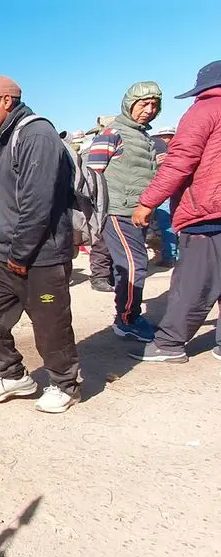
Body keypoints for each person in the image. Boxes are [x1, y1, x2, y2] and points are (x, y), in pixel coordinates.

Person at [0, 75, 81, 413]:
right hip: (5, 250)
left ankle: (65, 383)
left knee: (49, 322)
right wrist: (5, 250)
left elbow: (37, 205)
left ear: (6, 102)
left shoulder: (36, 135)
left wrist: (21, 256)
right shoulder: (2, 141)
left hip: (41, 254)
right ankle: (13, 376)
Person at [129, 60, 221, 363]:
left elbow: (180, 162)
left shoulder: (204, 111)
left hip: (208, 212)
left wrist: (148, 201)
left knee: (194, 282)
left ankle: (169, 343)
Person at [86, 82, 164, 343]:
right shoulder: (113, 133)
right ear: (129, 104)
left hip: (138, 212)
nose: (149, 110)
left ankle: (127, 313)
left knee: (128, 266)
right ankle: (127, 319)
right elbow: (91, 173)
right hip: (119, 210)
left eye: (154, 105)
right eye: (143, 104)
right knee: (134, 265)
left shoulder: (143, 136)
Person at [82, 115, 117, 293]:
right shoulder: (98, 146)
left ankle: (110, 274)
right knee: (102, 240)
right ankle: (100, 276)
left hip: (117, 199)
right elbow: (93, 175)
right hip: (104, 199)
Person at [150, 126, 179, 266]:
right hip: (166, 188)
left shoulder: (160, 148)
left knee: (166, 223)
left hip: (163, 188)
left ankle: (170, 256)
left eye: (168, 136)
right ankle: (172, 255)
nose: (166, 139)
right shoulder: (171, 148)